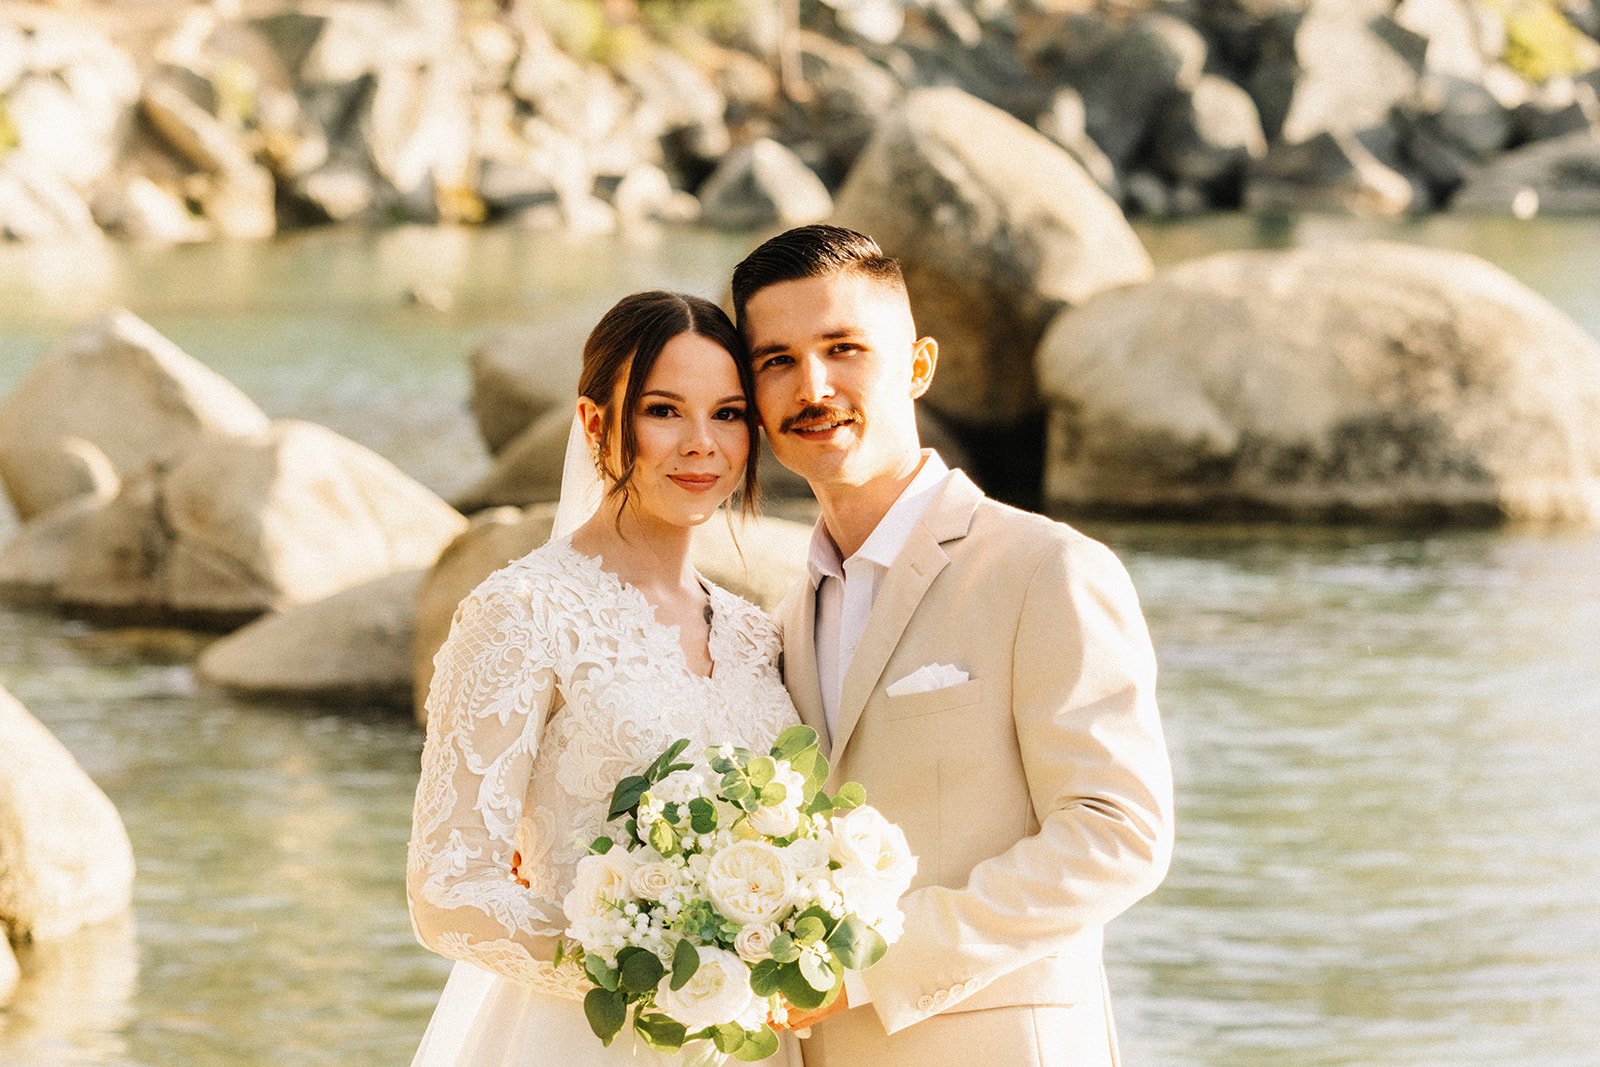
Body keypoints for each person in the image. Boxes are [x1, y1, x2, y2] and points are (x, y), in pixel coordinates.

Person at [731, 226, 1175, 1067]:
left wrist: (867, 964)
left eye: (843, 347)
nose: (812, 385)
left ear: (918, 364)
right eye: (776, 361)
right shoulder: (783, 615)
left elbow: (1119, 833)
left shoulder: (1047, 568)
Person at [406, 291, 803, 1066]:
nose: (702, 444)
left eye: (727, 414)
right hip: (583, 1038)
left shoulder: (757, 634)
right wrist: (654, 967)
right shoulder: (521, 614)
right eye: (664, 411)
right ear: (595, 424)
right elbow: (446, 890)